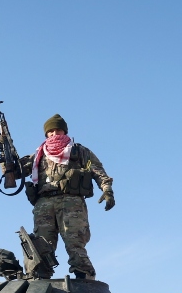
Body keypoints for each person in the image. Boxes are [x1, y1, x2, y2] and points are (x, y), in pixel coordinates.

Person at [19, 114, 114, 280]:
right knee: (41, 245)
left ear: (64, 131)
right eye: (51, 131)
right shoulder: (39, 154)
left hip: (71, 203)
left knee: (75, 242)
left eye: (58, 130)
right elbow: (16, 171)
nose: (54, 133)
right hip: (44, 204)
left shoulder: (78, 151)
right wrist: (7, 157)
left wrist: (107, 190)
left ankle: (84, 277)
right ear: (46, 134)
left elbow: (97, 171)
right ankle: (39, 280)